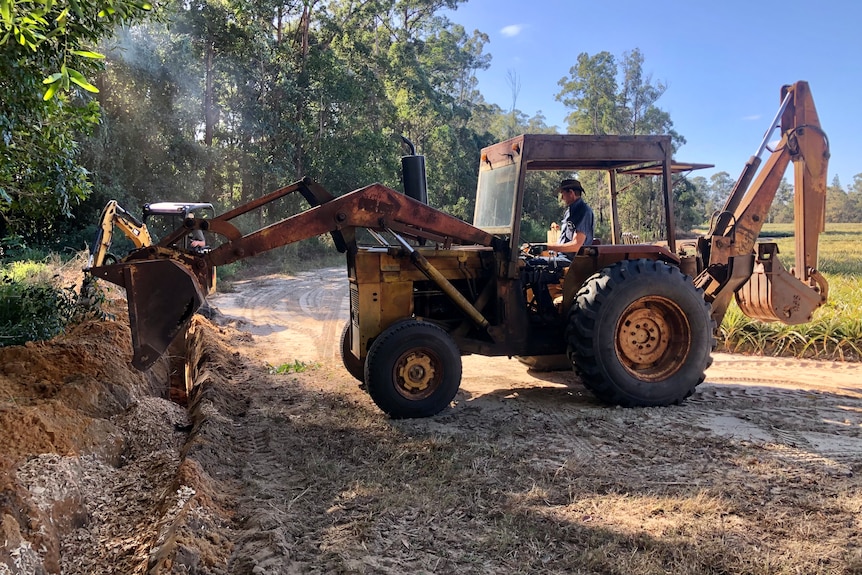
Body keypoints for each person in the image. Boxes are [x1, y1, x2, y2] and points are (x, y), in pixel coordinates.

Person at [545, 178, 594, 254]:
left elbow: (576, 245)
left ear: (571, 193)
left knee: (535, 264)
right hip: (561, 256)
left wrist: (547, 247)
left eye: (562, 193)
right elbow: (563, 241)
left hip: (573, 261)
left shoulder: (584, 211)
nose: (562, 198)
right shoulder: (569, 212)